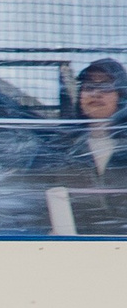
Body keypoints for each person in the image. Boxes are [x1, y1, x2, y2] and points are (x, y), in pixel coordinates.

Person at [42, 57, 127, 235]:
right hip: (75, 251)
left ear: (121, 94)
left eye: (105, 86)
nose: (95, 94)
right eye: (89, 87)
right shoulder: (61, 148)